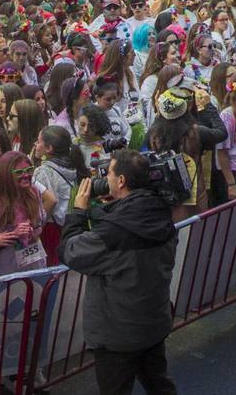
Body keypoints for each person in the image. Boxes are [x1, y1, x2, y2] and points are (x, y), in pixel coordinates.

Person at [61, 150, 178, 395]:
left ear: (122, 181)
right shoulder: (162, 213)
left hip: (117, 335)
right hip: (153, 323)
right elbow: (133, 226)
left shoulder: (113, 234)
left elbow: (71, 252)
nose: (107, 179)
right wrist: (116, 209)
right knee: (160, 385)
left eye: (109, 174)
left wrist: (78, 212)